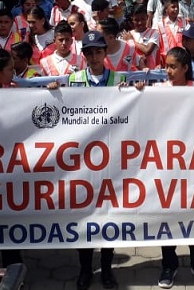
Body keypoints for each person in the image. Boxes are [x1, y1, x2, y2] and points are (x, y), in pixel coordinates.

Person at [132, 46, 194, 288]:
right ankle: (168, 265)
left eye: (172, 66)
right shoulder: (158, 91)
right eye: (166, 66)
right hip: (166, 164)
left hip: (193, 164)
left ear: (185, 68)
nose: (167, 71)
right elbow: (141, 108)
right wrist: (138, 92)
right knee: (166, 215)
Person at [65, 30, 120, 290]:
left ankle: (107, 269)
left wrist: (138, 92)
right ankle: (85, 269)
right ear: (84, 55)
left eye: (99, 51)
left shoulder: (118, 79)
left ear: (105, 53)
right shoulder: (73, 80)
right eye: (90, 52)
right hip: (83, 161)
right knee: (84, 217)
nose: (95, 56)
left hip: (111, 159)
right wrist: (55, 91)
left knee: (109, 216)